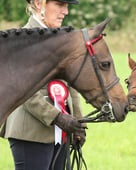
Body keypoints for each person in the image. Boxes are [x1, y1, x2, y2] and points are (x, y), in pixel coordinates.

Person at [0, 0, 86, 170]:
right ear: (40, 4)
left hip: (61, 133)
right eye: (61, 5)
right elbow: (23, 91)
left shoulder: (61, 38)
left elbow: (71, 85)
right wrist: (57, 117)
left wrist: (79, 123)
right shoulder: (21, 40)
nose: (66, 11)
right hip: (29, 132)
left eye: (67, 6)